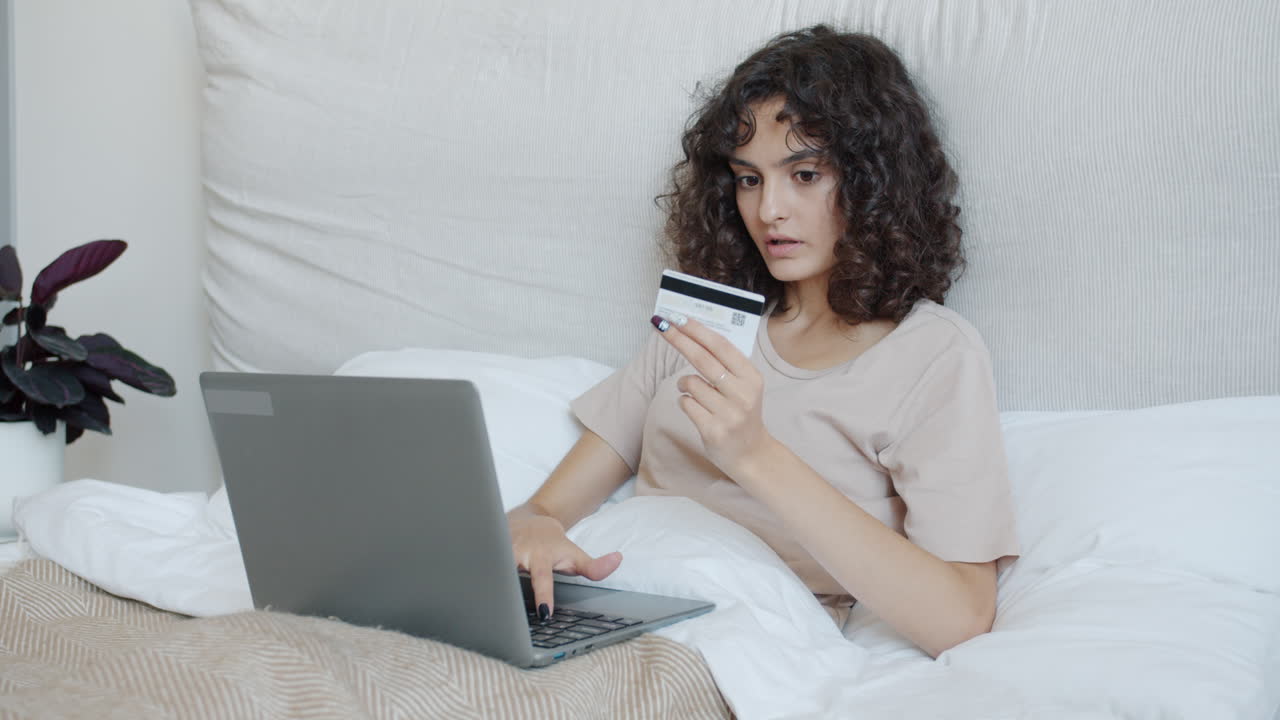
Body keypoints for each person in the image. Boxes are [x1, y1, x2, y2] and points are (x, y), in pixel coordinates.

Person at [506, 25, 1019, 658]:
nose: (770, 209)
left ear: (875, 182)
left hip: (727, 641)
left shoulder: (933, 353)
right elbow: (544, 509)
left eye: (804, 174)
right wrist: (532, 529)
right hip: (605, 605)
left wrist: (753, 453)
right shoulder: (708, 322)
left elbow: (960, 617)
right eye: (749, 179)